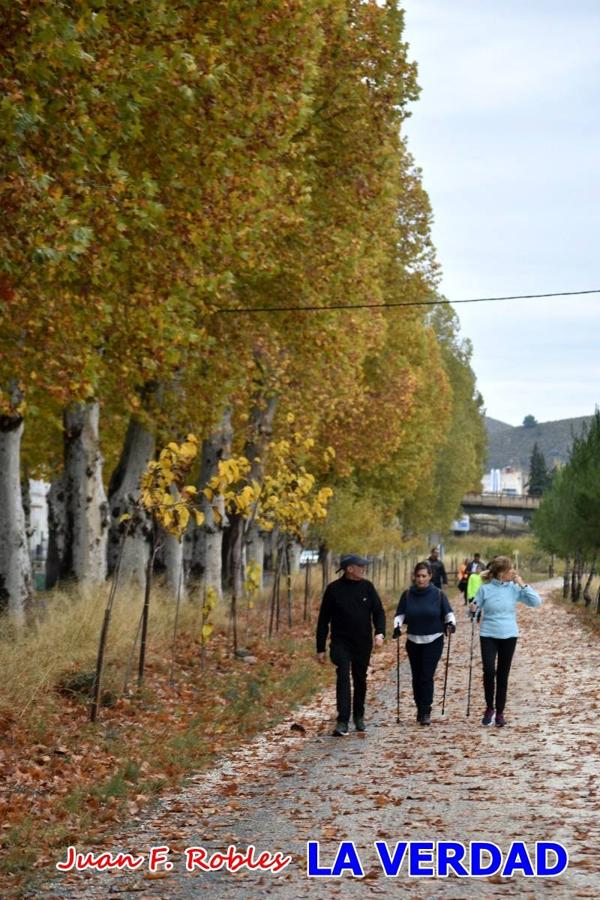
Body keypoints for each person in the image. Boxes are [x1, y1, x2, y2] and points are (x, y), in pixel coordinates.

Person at [316, 553, 385, 736]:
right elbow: (323, 620)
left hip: (362, 643)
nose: (364, 569)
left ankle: (359, 716)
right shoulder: (333, 590)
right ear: (349, 569)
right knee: (343, 678)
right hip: (340, 642)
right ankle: (342, 720)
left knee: (360, 679)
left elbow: (378, 612)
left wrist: (380, 632)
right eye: (360, 566)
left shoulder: (367, 588)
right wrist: (320, 648)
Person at [469, 556, 542, 727]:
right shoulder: (485, 589)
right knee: (488, 670)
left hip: (509, 635)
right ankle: (489, 708)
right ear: (501, 573)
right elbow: (474, 610)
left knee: (503, 674)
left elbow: (536, 602)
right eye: (511, 570)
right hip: (488, 634)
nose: (513, 573)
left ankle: (500, 712)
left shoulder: (514, 589)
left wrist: (522, 584)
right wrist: (472, 609)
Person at [393, 561, 456, 725]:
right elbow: (399, 615)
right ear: (414, 576)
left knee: (426, 676)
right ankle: (419, 708)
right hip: (413, 639)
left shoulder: (438, 594)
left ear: (430, 576)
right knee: (416, 676)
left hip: (434, 639)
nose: (420, 579)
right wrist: (397, 627)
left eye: (423, 576)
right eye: (418, 576)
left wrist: (451, 624)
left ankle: (426, 709)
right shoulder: (407, 594)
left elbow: (448, 613)